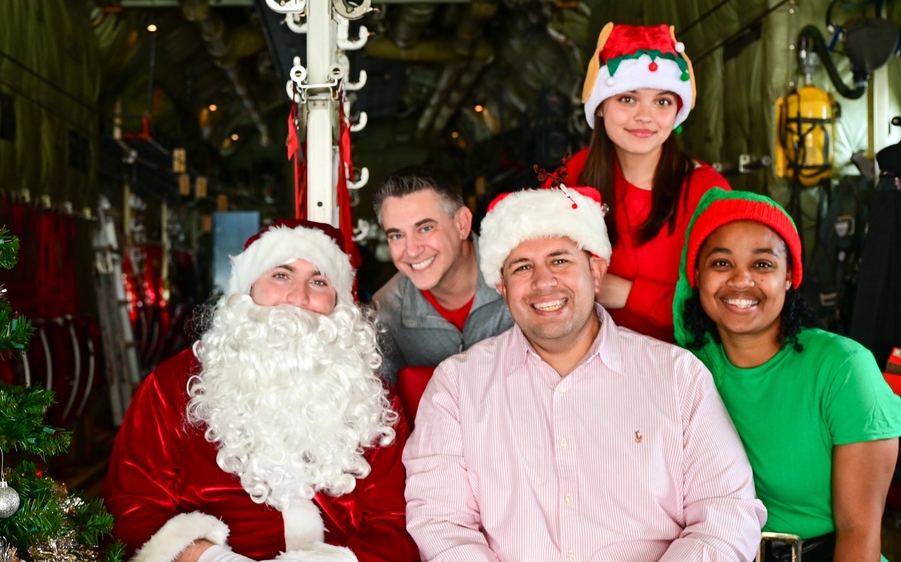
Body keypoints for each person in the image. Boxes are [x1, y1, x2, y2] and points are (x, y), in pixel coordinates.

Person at [403, 187, 766, 561]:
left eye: (560, 260)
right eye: (522, 267)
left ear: (595, 271)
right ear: (502, 287)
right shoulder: (456, 386)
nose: (544, 282)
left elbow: (727, 512)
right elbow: (440, 521)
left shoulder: (677, 376)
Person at [102, 219, 419, 562]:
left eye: (318, 281)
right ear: (248, 289)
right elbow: (130, 506)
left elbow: (396, 525)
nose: (298, 297)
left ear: (337, 303)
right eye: (281, 275)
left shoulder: (370, 400)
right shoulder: (173, 385)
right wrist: (209, 559)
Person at [673, 188, 901, 562]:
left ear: (790, 276)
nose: (741, 280)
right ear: (696, 274)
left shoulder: (843, 368)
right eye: (722, 263)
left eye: (762, 264)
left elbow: (859, 531)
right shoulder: (689, 370)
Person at [538, 22, 730, 342]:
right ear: (600, 106)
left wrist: (628, 293)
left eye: (662, 102)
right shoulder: (574, 174)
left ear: (677, 112)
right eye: (628, 99)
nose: (645, 116)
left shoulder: (707, 192)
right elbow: (536, 267)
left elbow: (727, 305)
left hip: (681, 361)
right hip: (588, 357)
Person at [371, 165, 513, 384]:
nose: (411, 251)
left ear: (462, 224)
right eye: (397, 236)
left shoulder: (520, 279)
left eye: (425, 228)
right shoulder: (386, 311)